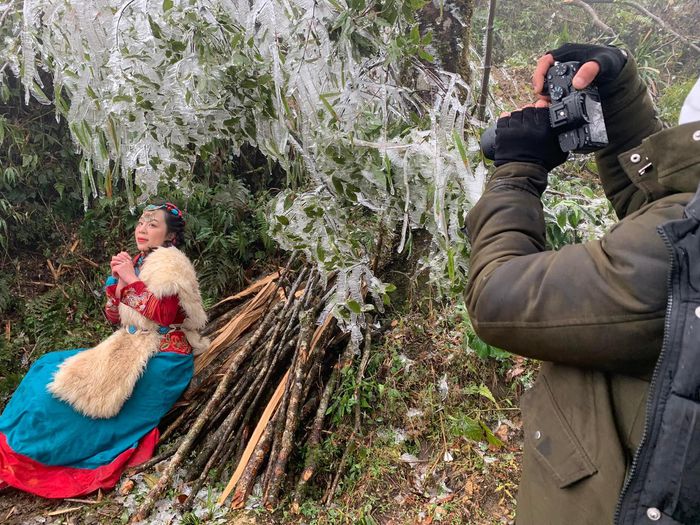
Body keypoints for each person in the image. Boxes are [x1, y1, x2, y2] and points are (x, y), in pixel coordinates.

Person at [465, 43, 700, 524]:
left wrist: (517, 171)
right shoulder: (682, 241)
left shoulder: (683, 257)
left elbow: (495, 294)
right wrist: (618, 95)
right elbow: (663, 213)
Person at [0, 200, 208, 498]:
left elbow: (162, 315)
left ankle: (42, 454)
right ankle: (14, 445)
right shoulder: (137, 261)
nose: (142, 229)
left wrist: (130, 279)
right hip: (129, 345)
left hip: (163, 358)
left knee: (72, 401)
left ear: (171, 235)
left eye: (152, 224)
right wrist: (115, 292)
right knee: (46, 367)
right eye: (141, 223)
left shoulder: (172, 264)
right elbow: (115, 317)